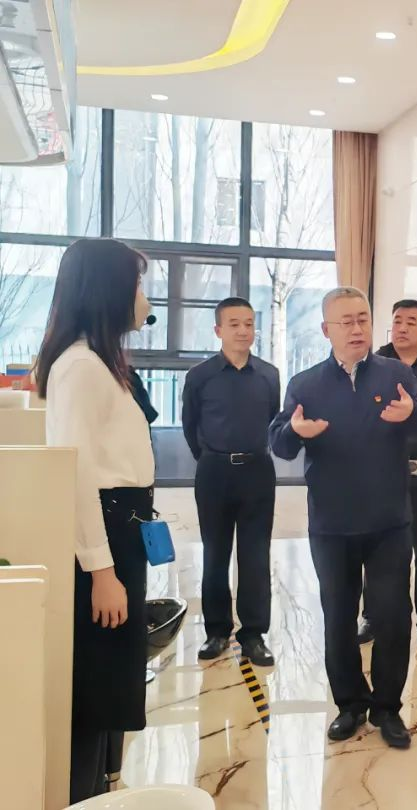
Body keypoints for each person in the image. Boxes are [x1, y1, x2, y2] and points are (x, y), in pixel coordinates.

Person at [269, 287, 417, 749]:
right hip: (331, 524)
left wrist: (411, 413)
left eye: (363, 318)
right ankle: (349, 704)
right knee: (338, 618)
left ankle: (387, 708)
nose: (357, 328)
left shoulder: (396, 373)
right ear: (327, 330)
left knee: (392, 616)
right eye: (346, 321)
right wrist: (295, 430)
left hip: (388, 522)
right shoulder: (306, 384)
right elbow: (279, 441)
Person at [36, 238, 156, 803]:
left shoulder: (101, 362)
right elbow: (78, 475)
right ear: (108, 289)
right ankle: (80, 796)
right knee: (95, 688)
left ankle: (100, 790)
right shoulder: (80, 367)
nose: (143, 297)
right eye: (137, 283)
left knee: (112, 684)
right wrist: (101, 571)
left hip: (122, 531)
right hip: (104, 536)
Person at [182, 297, 280, 667]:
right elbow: (190, 426)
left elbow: (273, 418)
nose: (243, 331)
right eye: (235, 324)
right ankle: (217, 631)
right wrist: (212, 457)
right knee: (215, 553)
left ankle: (254, 634)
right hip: (214, 472)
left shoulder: (269, 375)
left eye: (249, 324)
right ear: (218, 330)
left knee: (255, 555)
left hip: (257, 470)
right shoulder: (200, 376)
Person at [356, 299, 417, 651]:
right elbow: (363, 416)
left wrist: (395, 440)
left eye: (411, 322)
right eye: (397, 320)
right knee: (378, 550)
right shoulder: (373, 362)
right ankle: (373, 615)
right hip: (379, 477)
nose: (401, 328)